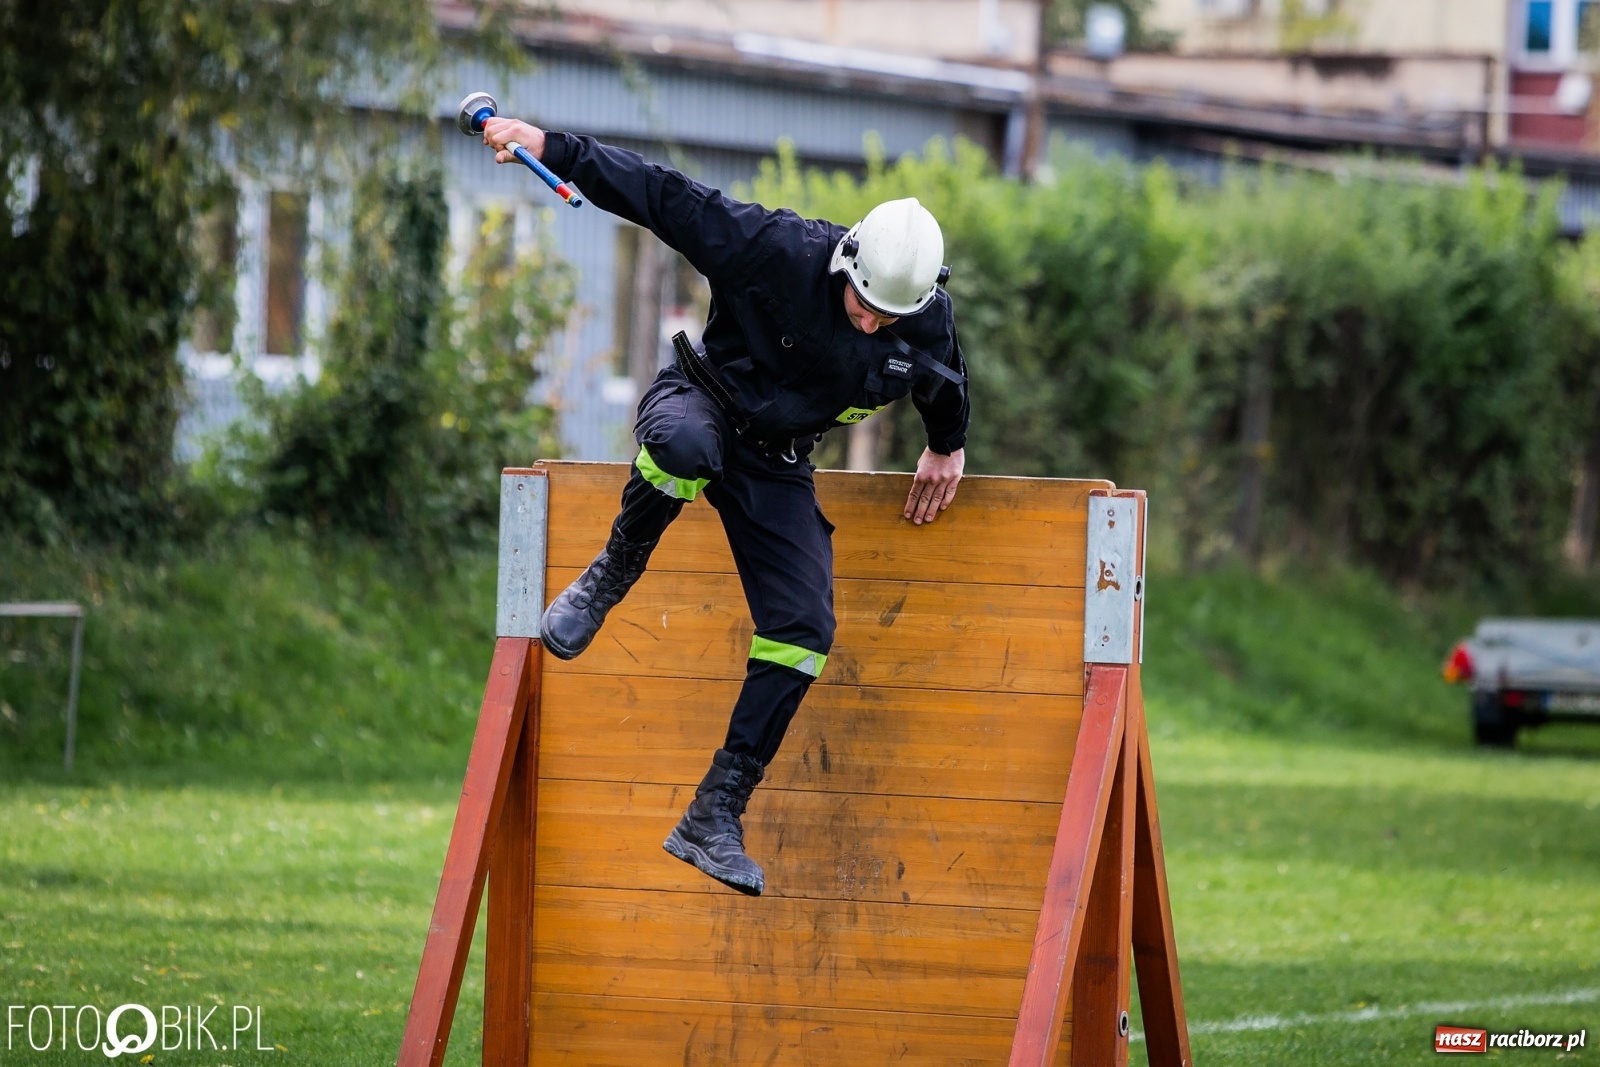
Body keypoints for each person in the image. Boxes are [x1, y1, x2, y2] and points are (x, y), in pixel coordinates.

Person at [482, 117, 970, 896]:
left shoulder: (923, 316)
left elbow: (943, 379)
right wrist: (553, 148)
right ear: (846, 262)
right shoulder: (777, 248)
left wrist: (947, 443)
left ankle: (715, 811)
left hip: (777, 460)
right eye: (863, 304)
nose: (872, 322)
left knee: (805, 629)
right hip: (702, 400)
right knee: (683, 448)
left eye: (890, 315)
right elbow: (661, 195)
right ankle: (612, 573)